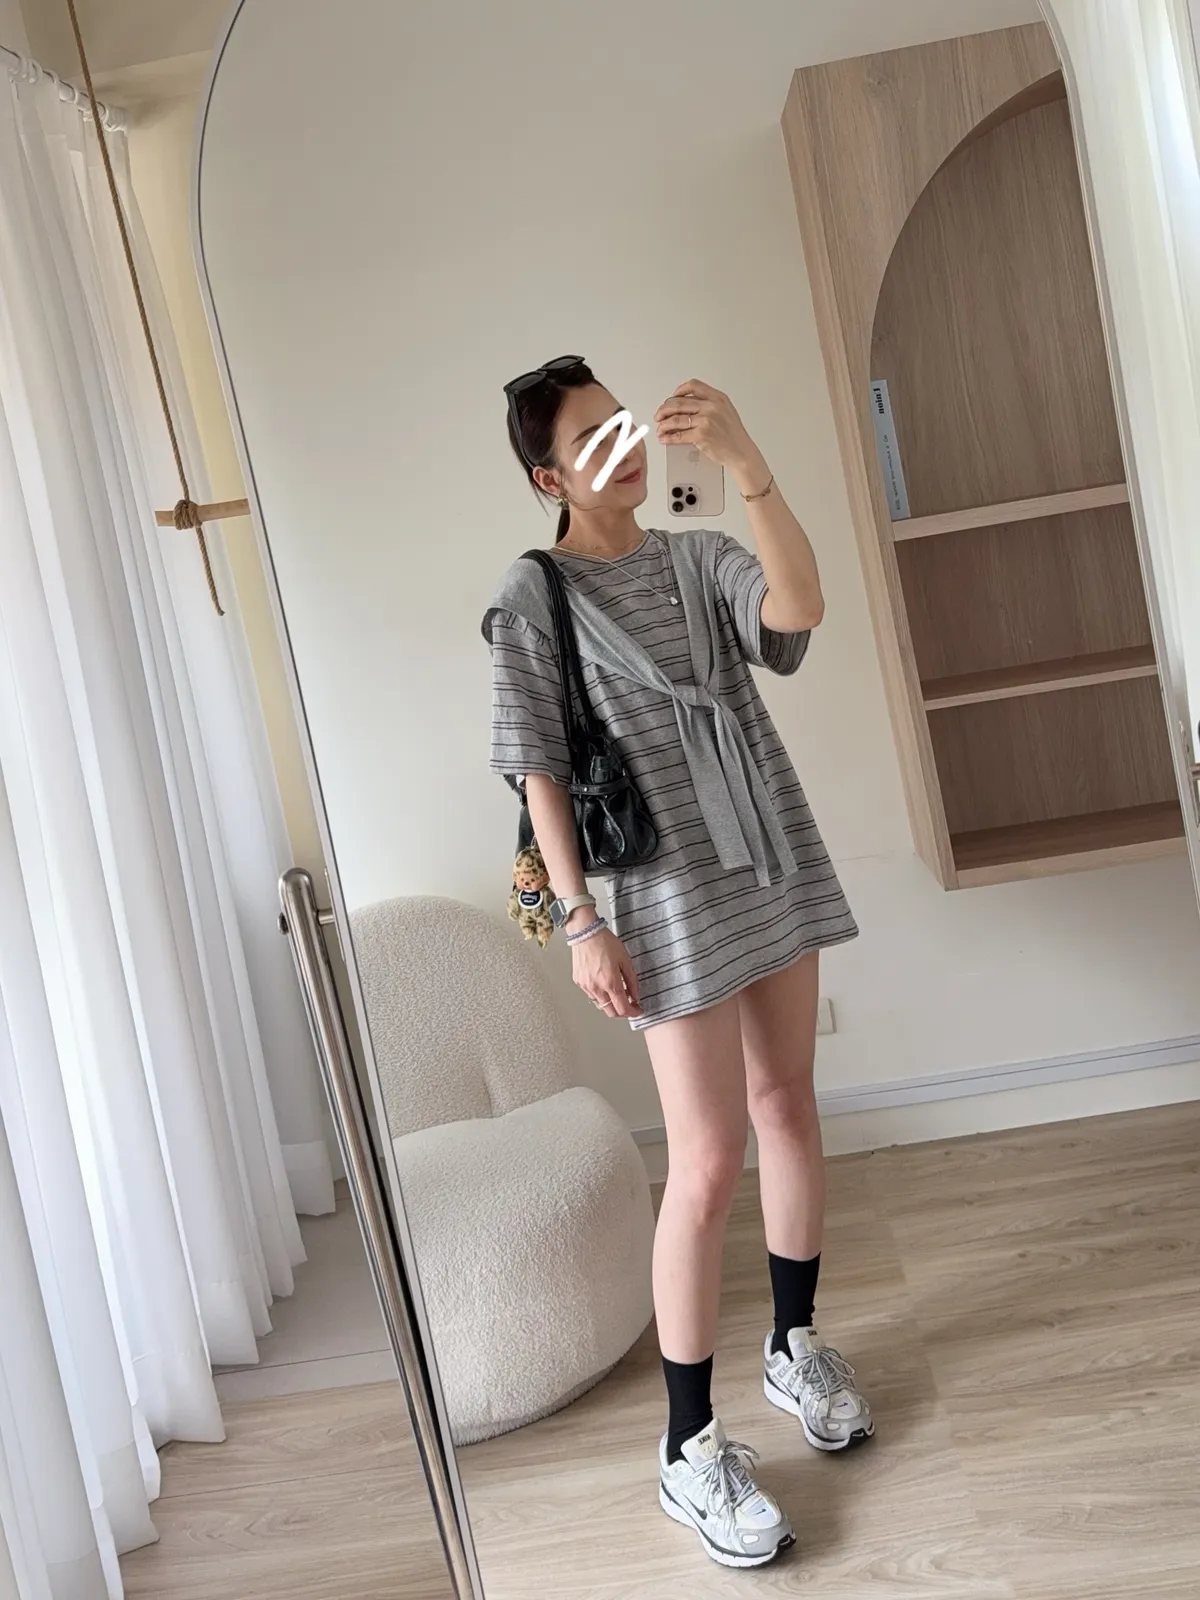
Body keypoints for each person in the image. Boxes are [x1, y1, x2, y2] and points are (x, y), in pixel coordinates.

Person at [482, 355, 873, 1570]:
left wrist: (746, 462)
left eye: (625, 426)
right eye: (590, 441)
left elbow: (799, 609)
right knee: (705, 1159)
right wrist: (582, 922)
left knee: (788, 1104)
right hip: (662, 894)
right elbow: (537, 765)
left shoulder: (699, 557)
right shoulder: (535, 595)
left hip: (768, 851)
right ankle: (689, 1444)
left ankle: (794, 1346)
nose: (623, 449)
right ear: (549, 477)